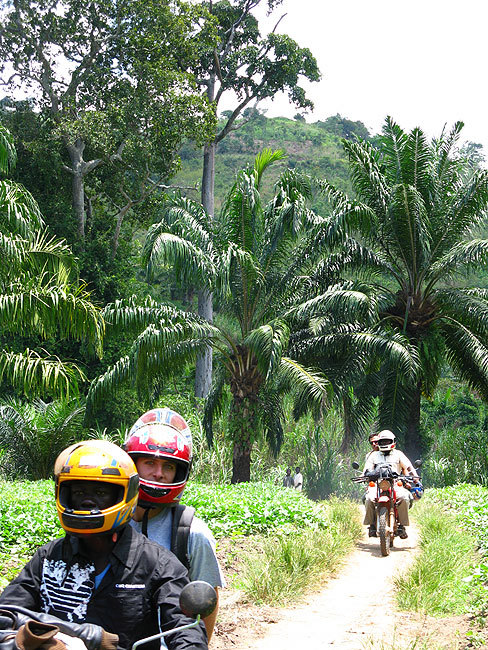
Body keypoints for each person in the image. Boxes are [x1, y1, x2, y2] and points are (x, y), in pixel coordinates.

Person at [0, 440, 208, 650]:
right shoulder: (48, 558)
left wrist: (91, 638)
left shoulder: (159, 565)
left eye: (100, 493)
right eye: (79, 493)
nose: (87, 502)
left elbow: (186, 633)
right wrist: (61, 639)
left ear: (125, 494)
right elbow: (6, 615)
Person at [124, 408, 224, 641]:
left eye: (168, 466)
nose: (158, 474)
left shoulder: (193, 534)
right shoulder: (110, 523)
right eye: (149, 462)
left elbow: (208, 602)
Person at [362, 429, 420, 539]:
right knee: (369, 498)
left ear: (393, 442)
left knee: (404, 498)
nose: (384, 444)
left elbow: (408, 467)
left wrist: (415, 478)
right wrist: (365, 476)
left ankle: (402, 526)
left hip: (395, 484)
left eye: (386, 441)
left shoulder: (398, 454)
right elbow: (367, 469)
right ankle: (371, 526)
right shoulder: (374, 455)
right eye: (382, 442)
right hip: (378, 484)